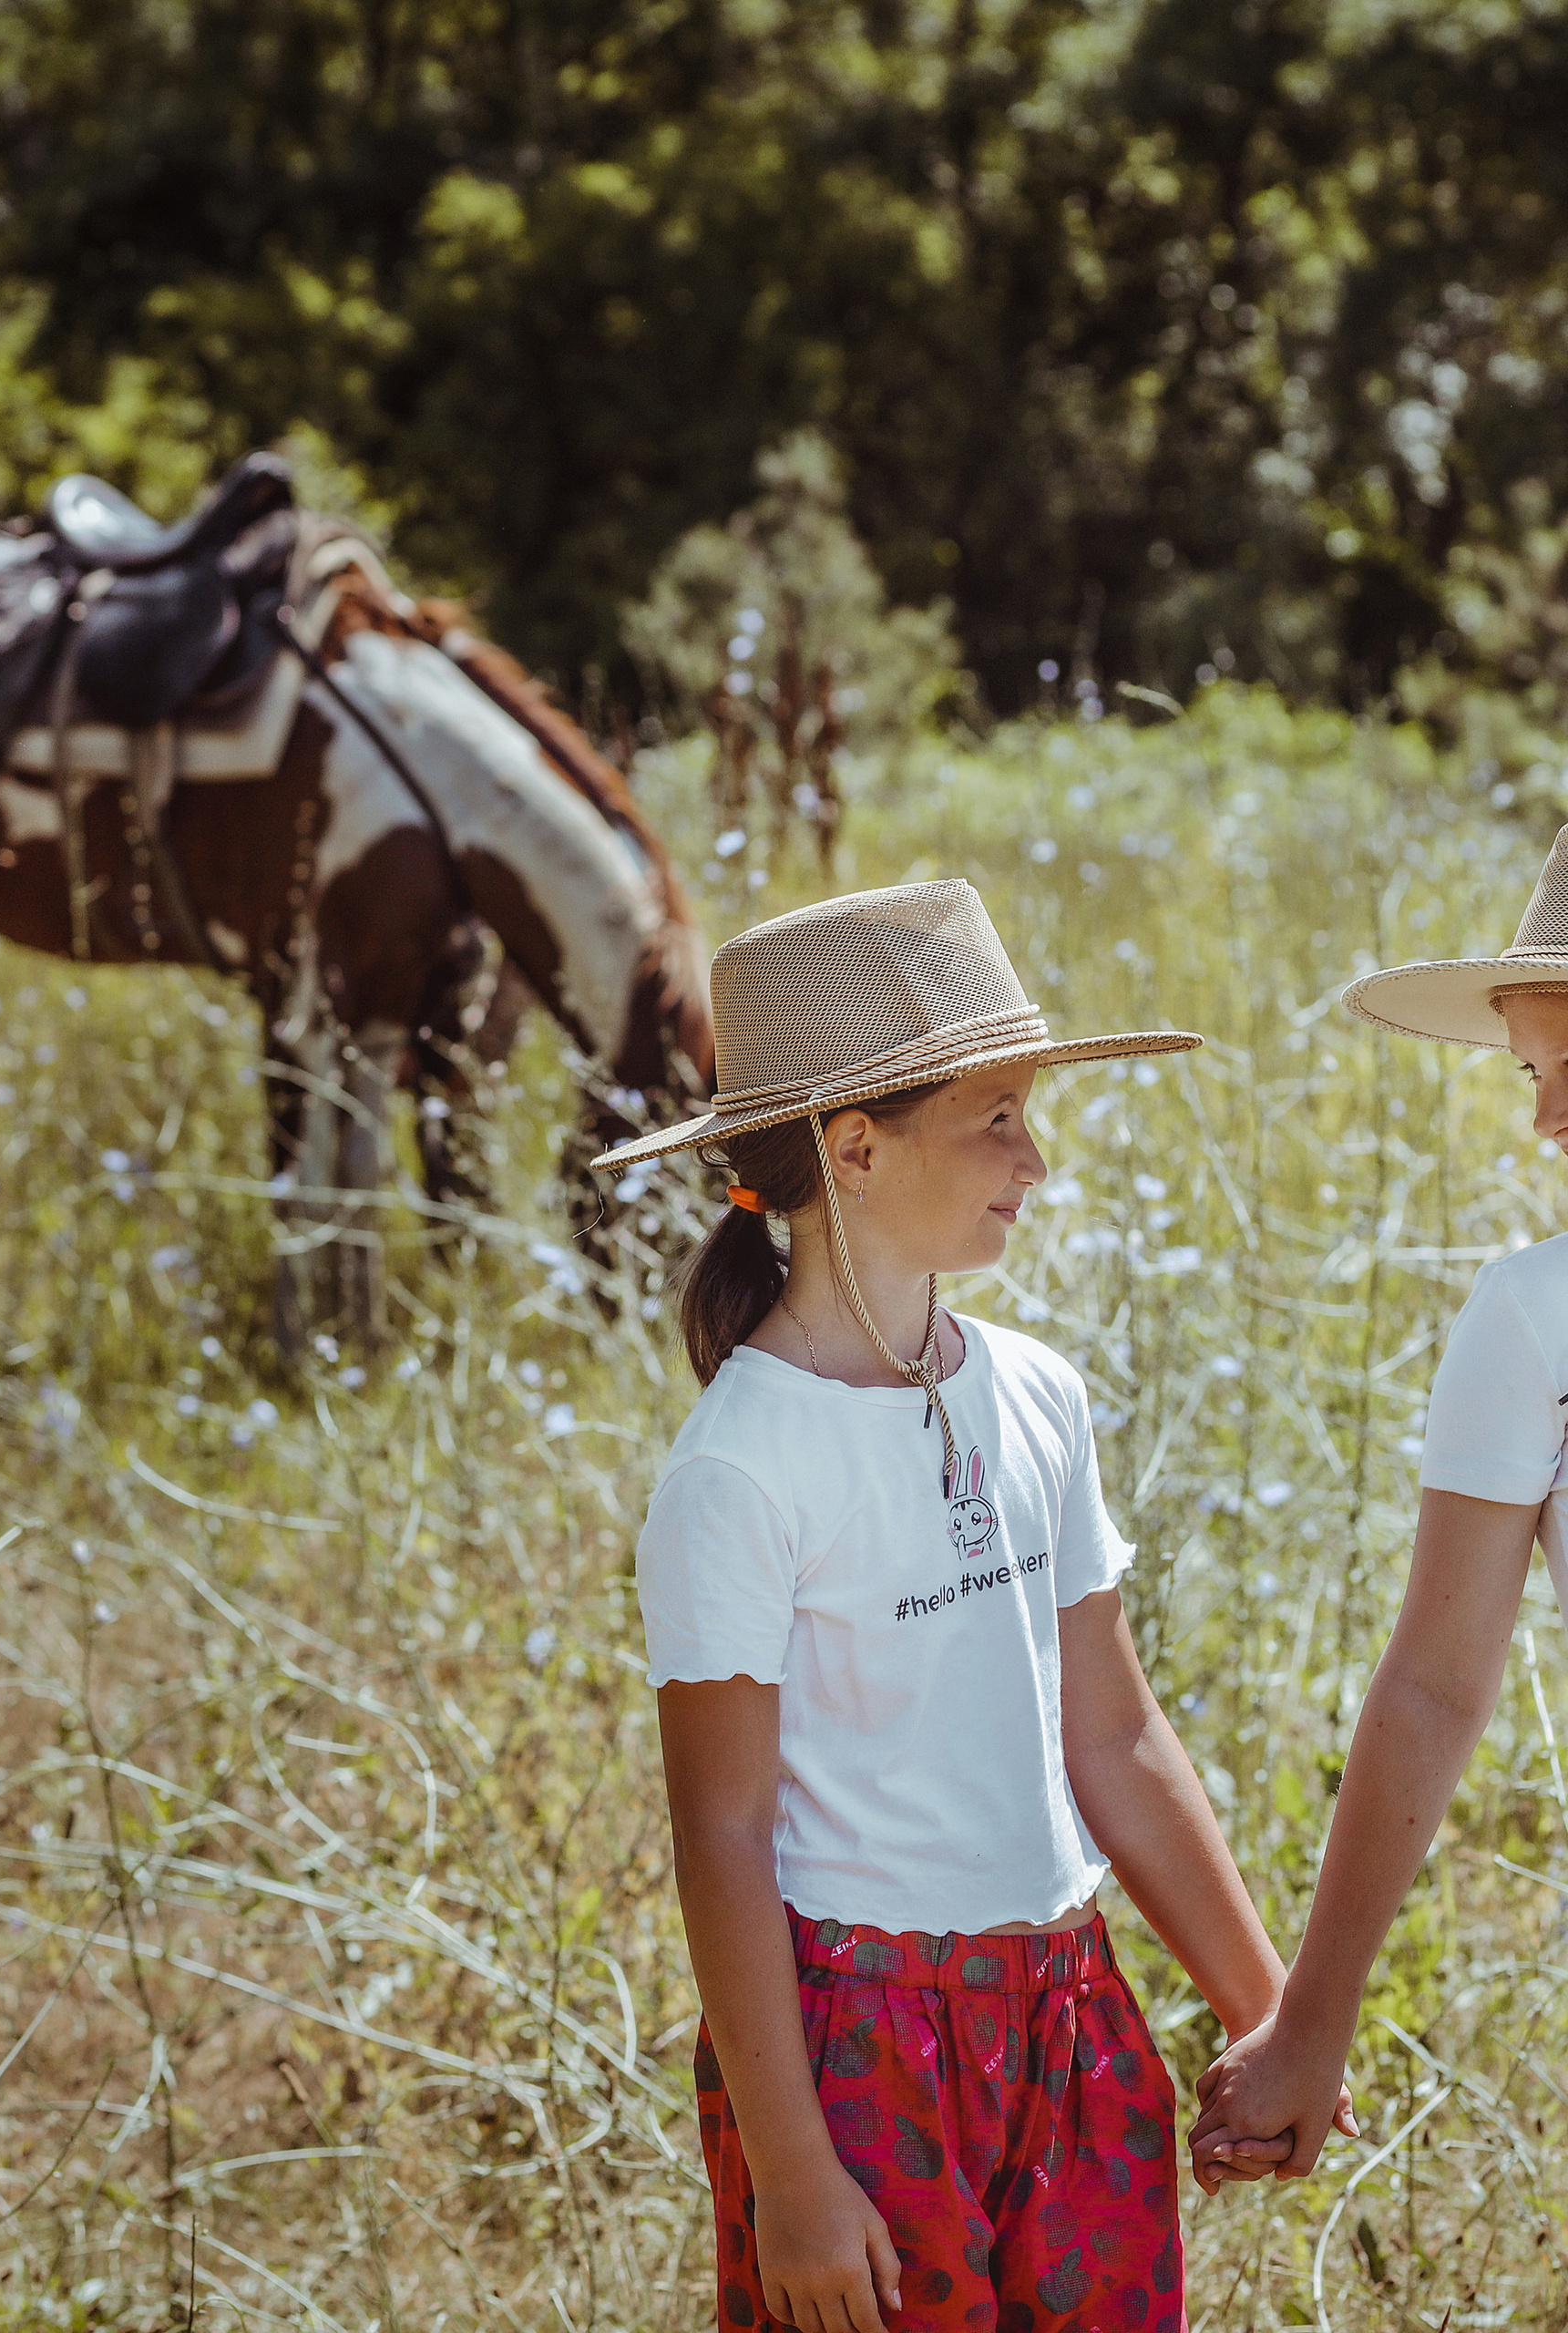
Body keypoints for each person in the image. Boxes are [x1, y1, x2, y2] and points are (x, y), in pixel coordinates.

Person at [598, 879, 1314, 2333]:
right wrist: (792, 2174)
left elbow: (1114, 1735)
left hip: (1069, 2009)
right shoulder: (742, 1467)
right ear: (851, 1148)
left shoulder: (1036, 1391)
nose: (1035, 1158)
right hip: (852, 2050)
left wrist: (1272, 2013)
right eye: (996, 1117)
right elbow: (723, 1837)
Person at [1189, 827, 1568, 2187]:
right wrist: (1312, 2022)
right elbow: (1435, 1684)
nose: (1544, 1118)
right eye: (1534, 1069)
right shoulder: (1533, 1319)